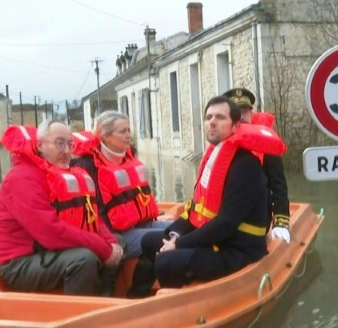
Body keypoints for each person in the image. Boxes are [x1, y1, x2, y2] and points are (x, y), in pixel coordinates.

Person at [128, 96, 286, 296]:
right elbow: (197, 207)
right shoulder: (215, 156)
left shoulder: (245, 165)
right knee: (149, 241)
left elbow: (226, 223)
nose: (212, 121)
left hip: (238, 249)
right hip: (220, 239)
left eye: (220, 117)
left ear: (236, 125)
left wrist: (178, 244)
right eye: (208, 117)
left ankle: (176, 304)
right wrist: (175, 235)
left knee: (166, 259)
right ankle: (136, 297)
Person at [0, 121, 125, 297]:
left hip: (48, 252)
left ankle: (104, 296)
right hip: (19, 263)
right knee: (83, 259)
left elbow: (88, 214)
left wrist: (109, 243)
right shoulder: (22, 178)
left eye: (70, 144)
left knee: (119, 242)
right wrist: (103, 249)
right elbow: (50, 232)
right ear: (40, 145)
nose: (67, 151)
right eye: (59, 143)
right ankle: (77, 316)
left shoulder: (56, 174)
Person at [71, 110, 170, 258]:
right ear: (106, 136)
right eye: (123, 131)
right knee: (171, 237)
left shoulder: (126, 159)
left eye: (129, 130)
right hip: (117, 235)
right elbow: (93, 213)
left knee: (184, 227)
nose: (128, 135)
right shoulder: (87, 166)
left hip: (140, 224)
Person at [223, 87, 291, 243]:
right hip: (224, 216)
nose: (240, 117)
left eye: (244, 111)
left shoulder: (266, 144)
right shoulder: (220, 142)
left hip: (255, 219)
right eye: (236, 112)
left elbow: (279, 186)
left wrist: (281, 223)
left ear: (251, 114)